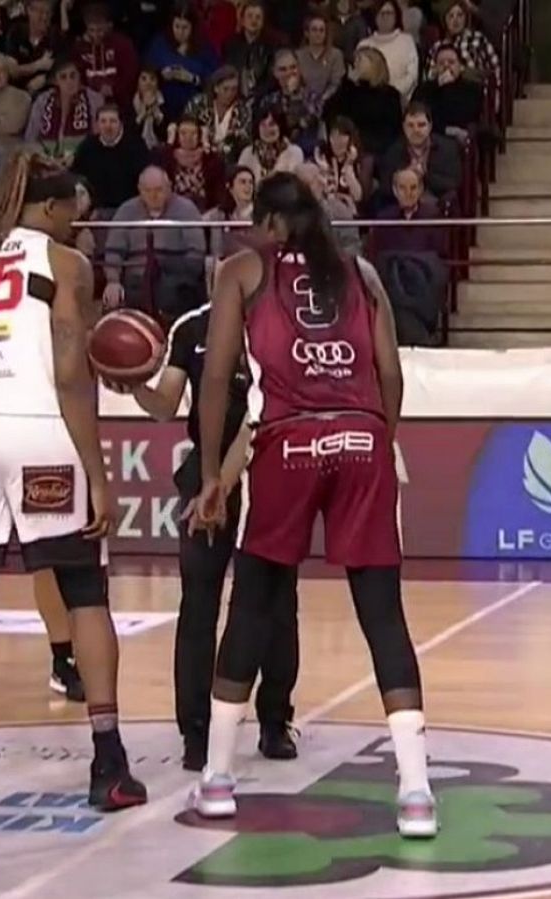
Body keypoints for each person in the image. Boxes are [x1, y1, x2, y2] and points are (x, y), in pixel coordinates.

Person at [187, 172, 435, 838]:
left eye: (252, 220)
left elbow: (216, 378)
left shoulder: (243, 270)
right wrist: (380, 439)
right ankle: (415, 791)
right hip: (360, 438)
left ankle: (216, 779)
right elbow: (391, 373)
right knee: (383, 616)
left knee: (254, 606)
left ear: (270, 223)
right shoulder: (359, 272)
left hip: (289, 443)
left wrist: (212, 474)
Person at [0, 149, 146, 812]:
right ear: (49, 209)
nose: (76, 228)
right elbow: (72, 371)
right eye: (72, 216)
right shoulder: (63, 263)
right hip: (38, 428)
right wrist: (98, 473)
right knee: (84, 591)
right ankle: (108, 761)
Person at [126, 304, 302, 771]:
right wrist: (133, 385)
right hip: (203, 474)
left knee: (275, 603)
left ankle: (274, 719)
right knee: (198, 604)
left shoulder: (279, 322)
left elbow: (257, 423)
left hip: (268, 472)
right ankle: (196, 732)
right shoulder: (190, 326)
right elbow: (166, 403)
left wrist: (220, 485)